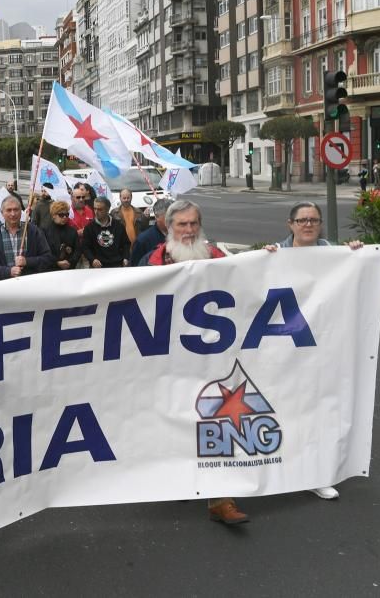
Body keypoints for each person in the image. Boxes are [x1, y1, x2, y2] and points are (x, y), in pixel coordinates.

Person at [142, 199, 248, 524]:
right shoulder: (152, 262)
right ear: (168, 227)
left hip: (211, 359)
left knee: (214, 418)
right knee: (175, 416)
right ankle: (179, 474)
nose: (188, 231)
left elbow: (248, 282)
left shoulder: (215, 256)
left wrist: (268, 259)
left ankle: (220, 497)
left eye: (193, 224)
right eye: (182, 225)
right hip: (169, 360)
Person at [263, 201, 364, 500]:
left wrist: (355, 254)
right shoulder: (275, 255)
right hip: (284, 349)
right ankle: (282, 465)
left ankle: (315, 473)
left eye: (314, 220)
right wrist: (263, 261)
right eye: (302, 220)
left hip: (322, 348)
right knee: (285, 409)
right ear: (290, 224)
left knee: (320, 410)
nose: (308, 225)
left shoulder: (335, 255)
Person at [0, 194, 53, 279]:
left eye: (16, 210)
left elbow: (48, 258)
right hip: (4, 286)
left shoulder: (34, 231)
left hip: (29, 284)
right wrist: (8, 271)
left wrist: (27, 261)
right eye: (9, 210)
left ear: (21, 211)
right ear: (2, 212)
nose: (13, 214)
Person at [82, 196, 131, 268]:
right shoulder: (89, 228)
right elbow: (85, 247)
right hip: (98, 266)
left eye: (100, 209)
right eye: (95, 209)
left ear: (107, 209)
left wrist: (125, 258)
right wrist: (92, 259)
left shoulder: (118, 226)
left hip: (116, 264)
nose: (96, 212)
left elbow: (126, 243)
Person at [131, 198, 172, 267]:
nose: (173, 219)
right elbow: (134, 267)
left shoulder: (182, 235)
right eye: (169, 217)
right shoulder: (143, 240)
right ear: (156, 217)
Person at [43, 200, 81, 270]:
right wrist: (56, 262)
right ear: (53, 215)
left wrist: (70, 262)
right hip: (51, 269)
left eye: (67, 215)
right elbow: (44, 252)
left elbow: (77, 250)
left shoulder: (72, 231)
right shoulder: (45, 231)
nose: (64, 217)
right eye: (61, 215)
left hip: (69, 268)